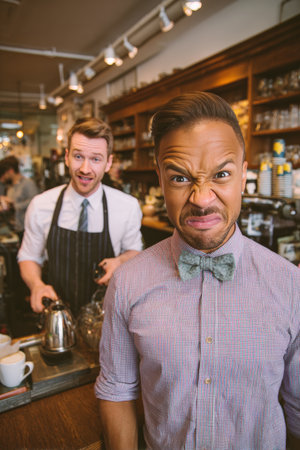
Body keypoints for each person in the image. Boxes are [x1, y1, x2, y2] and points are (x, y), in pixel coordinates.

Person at [95, 92, 300, 450]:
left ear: (243, 175)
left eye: (221, 174)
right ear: (160, 178)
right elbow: (117, 391)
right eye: (180, 178)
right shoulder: (128, 283)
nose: (202, 198)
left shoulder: (290, 284)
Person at [18, 117, 143, 317]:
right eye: (78, 156)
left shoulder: (127, 206)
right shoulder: (41, 205)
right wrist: (36, 285)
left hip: (107, 318)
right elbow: (29, 256)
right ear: (67, 157)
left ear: (108, 163)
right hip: (56, 315)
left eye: (95, 159)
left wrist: (120, 261)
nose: (85, 169)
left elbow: (135, 252)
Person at [0, 155, 39, 239]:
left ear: (10, 171)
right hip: (15, 229)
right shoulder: (10, 188)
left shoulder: (28, 183)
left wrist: (13, 204)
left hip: (28, 230)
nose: (3, 177)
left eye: (4, 174)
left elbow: (35, 202)